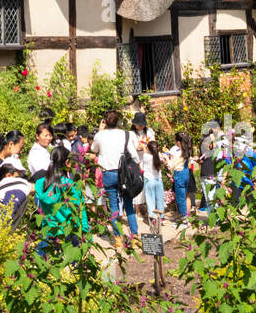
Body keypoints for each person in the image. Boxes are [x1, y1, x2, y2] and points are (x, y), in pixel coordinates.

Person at [91, 109, 141, 238]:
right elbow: (134, 155)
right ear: (117, 121)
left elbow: (93, 149)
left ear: (105, 121)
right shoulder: (125, 134)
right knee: (128, 203)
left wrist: (100, 130)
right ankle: (134, 235)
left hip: (108, 173)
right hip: (123, 173)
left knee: (113, 206)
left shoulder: (100, 136)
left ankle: (118, 237)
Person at [34, 145, 89, 257]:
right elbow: (80, 210)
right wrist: (85, 232)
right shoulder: (72, 186)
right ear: (67, 162)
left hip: (48, 232)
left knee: (45, 266)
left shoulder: (40, 184)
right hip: (69, 234)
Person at [163, 131, 195, 223]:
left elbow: (172, 165)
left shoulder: (178, 152)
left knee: (180, 199)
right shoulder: (186, 150)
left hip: (179, 175)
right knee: (184, 196)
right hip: (186, 174)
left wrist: (167, 158)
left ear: (178, 142)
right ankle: (184, 218)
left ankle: (183, 220)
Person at [139, 130, 166, 228]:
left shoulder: (146, 156)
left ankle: (153, 218)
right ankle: (162, 217)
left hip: (149, 180)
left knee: (150, 200)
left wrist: (142, 146)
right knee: (159, 199)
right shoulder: (158, 156)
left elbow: (141, 166)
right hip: (158, 180)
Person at [198, 122, 226, 213]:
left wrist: (223, 177)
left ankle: (217, 219)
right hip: (204, 175)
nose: (204, 144)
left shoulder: (215, 152)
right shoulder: (204, 153)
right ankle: (211, 218)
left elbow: (222, 163)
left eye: (206, 142)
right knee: (207, 198)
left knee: (211, 198)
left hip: (211, 176)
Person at [230, 133, 256, 204]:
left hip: (248, 182)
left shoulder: (250, 154)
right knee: (235, 203)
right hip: (237, 183)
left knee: (252, 204)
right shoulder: (235, 153)